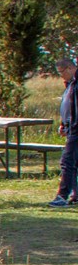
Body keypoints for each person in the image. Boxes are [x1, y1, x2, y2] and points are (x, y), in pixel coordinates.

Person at [51, 57, 78, 207]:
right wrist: (64, 125)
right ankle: (76, 195)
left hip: (76, 130)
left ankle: (62, 196)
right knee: (73, 163)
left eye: (61, 72)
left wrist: (72, 127)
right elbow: (68, 107)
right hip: (71, 128)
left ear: (70, 68)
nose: (61, 75)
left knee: (67, 162)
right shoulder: (70, 84)